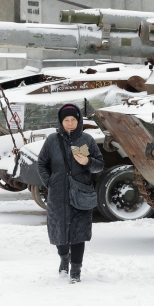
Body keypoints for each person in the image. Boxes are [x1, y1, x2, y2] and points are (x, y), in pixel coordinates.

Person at [37, 104, 104, 283]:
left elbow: (100, 164)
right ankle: (63, 257)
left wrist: (88, 161)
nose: (70, 123)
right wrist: (49, 182)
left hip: (80, 192)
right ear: (61, 121)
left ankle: (75, 270)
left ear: (79, 120)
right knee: (58, 232)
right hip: (58, 194)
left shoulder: (87, 139)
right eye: (66, 120)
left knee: (78, 233)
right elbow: (41, 163)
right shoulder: (52, 140)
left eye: (73, 120)